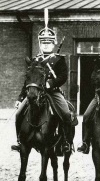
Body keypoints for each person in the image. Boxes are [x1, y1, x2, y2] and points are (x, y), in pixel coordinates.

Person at [12, 10, 72, 154]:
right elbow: (28, 81)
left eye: (49, 43)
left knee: (66, 114)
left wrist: (50, 83)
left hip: (53, 92)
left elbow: (63, 76)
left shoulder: (59, 59)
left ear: (53, 44)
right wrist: (21, 98)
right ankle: (20, 141)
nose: (46, 45)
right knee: (19, 113)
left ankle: (65, 142)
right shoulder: (35, 60)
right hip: (35, 92)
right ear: (40, 44)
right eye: (43, 43)